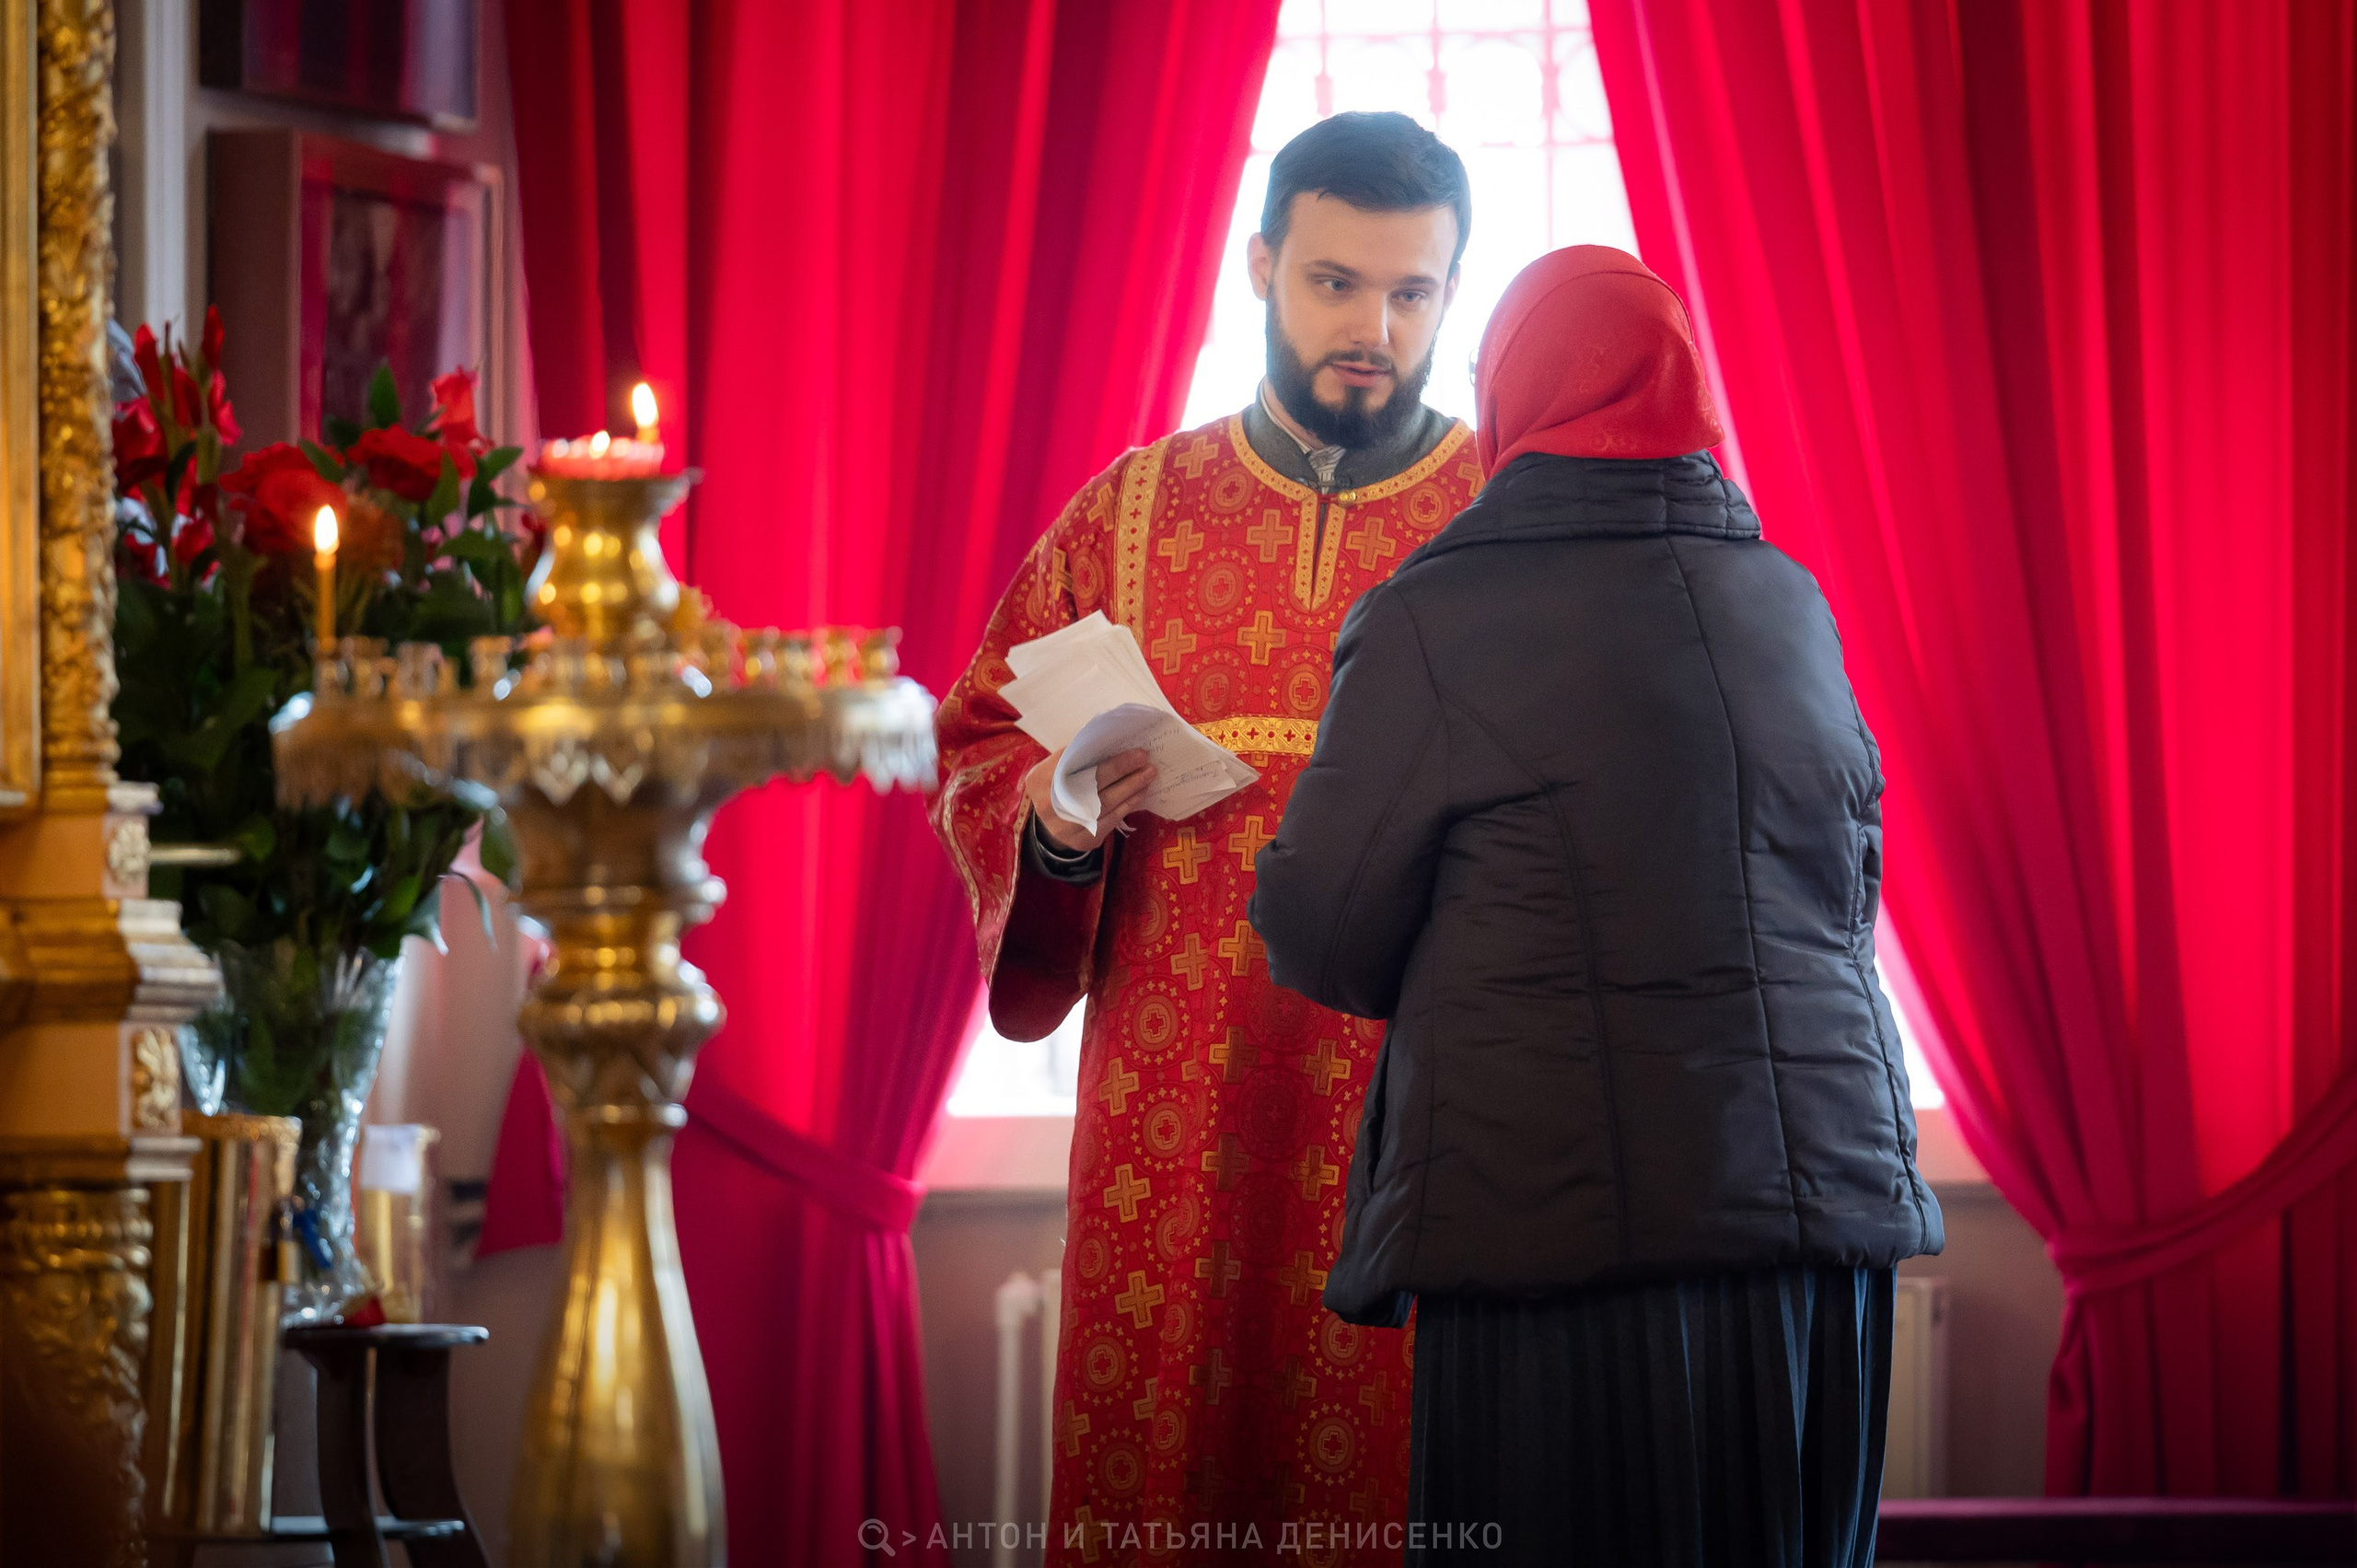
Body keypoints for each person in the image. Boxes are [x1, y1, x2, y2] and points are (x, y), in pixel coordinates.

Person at [1248, 245, 1945, 1567]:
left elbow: (1327, 934)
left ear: (1510, 393)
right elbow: (1845, 894)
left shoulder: (1434, 617)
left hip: (1552, 1236)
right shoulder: (1790, 600)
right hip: (1820, 1243)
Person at [931, 111, 1485, 1562]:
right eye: (1333, 283)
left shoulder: (1501, 520)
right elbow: (982, 738)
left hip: (1414, 1107)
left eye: (1411, 293)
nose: (1372, 327)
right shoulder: (1129, 513)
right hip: (1175, 1113)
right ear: (1259, 267)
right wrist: (1055, 818)